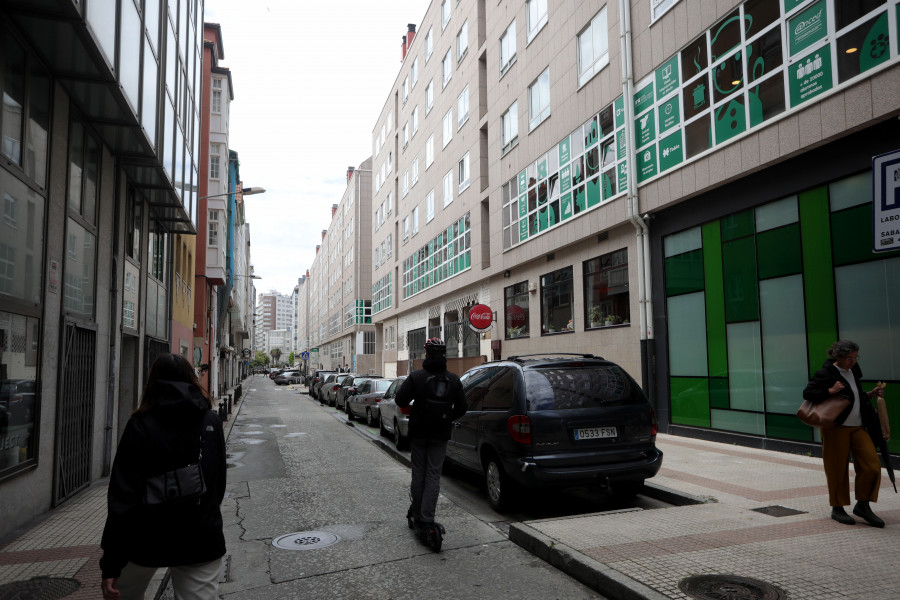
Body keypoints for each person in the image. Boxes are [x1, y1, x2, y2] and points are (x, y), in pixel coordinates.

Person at [100, 353, 227, 599]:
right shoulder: (209, 421)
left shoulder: (140, 424)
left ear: (152, 383)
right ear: (192, 379)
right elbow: (216, 484)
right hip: (200, 539)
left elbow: (123, 496)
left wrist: (111, 562)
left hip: (145, 538)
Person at [802, 340, 885, 527]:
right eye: (849, 358)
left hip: (857, 426)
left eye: (856, 358)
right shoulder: (826, 373)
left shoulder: (853, 371)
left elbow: (854, 395)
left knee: (871, 464)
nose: (853, 362)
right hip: (835, 427)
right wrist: (830, 391)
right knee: (837, 467)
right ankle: (838, 508)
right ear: (838, 356)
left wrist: (870, 394)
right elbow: (808, 393)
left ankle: (863, 505)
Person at [395, 337, 467, 536]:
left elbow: (400, 399)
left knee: (418, 474)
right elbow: (463, 407)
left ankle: (417, 514)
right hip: (440, 434)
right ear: (444, 355)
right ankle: (427, 518)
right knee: (433, 476)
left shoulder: (416, 377)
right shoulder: (453, 379)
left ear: (426, 354)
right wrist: (447, 417)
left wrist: (414, 410)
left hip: (419, 433)